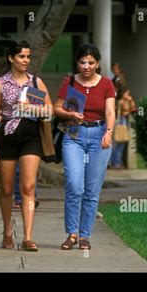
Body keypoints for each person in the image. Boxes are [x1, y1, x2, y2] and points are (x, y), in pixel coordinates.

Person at [0, 40, 52, 252]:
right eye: (22, 56)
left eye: (28, 57)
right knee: (6, 189)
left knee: (28, 187)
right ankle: (7, 232)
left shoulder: (35, 83)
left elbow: (49, 111)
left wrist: (30, 107)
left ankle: (28, 237)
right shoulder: (0, 84)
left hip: (31, 138)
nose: (26, 61)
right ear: (11, 58)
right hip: (5, 137)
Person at [54, 44, 115, 250]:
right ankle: (71, 234)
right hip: (74, 135)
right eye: (82, 62)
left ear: (97, 63)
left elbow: (110, 112)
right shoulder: (70, 82)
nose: (86, 66)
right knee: (74, 184)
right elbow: (56, 108)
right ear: (77, 63)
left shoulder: (106, 84)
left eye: (90, 62)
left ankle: (85, 235)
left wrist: (109, 132)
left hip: (99, 136)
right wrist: (70, 114)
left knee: (91, 190)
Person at [109, 86, 137, 169]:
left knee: (121, 143)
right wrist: (130, 101)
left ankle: (116, 162)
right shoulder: (120, 102)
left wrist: (131, 100)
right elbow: (126, 111)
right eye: (127, 93)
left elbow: (133, 109)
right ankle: (112, 162)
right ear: (123, 94)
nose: (128, 95)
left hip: (123, 122)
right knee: (116, 143)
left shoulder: (126, 101)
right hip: (120, 122)